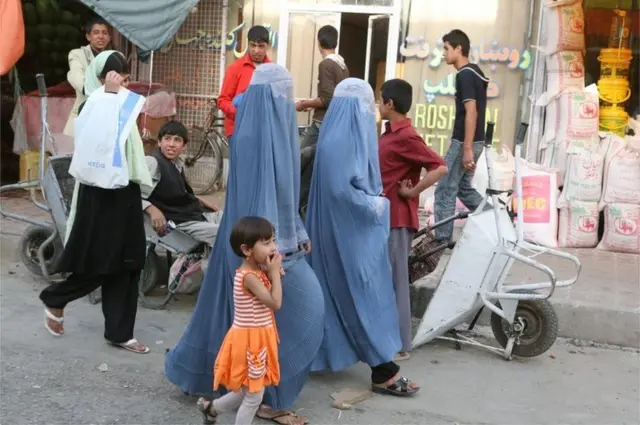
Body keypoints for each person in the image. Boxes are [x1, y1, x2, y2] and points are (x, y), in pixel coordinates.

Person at [164, 64, 324, 425]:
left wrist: (297, 232)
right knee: (293, 316)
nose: (285, 101)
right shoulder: (251, 136)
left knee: (282, 323)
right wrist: (269, 251)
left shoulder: (281, 132)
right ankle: (263, 399)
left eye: (289, 93)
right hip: (258, 248)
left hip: (278, 244)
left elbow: (284, 194)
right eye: (280, 94)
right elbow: (258, 200)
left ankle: (256, 394)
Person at [305, 78, 420, 397]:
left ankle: (374, 366)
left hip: (345, 234)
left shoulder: (341, 137)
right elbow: (341, 191)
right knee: (364, 299)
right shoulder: (341, 142)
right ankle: (384, 370)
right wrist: (378, 205)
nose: (370, 112)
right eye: (366, 105)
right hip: (348, 236)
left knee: (342, 299)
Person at [40, 51, 151, 354]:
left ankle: (119, 332)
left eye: (125, 79)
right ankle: (56, 297)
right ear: (101, 78)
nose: (122, 83)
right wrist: (110, 95)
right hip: (101, 194)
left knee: (129, 262)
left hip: (124, 190)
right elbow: (98, 142)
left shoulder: (118, 101)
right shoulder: (93, 103)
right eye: (115, 77)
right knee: (104, 260)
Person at [378, 79, 448, 360]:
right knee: (387, 280)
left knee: (396, 281)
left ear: (390, 103)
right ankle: (387, 338)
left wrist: (413, 191)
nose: (379, 104)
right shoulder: (390, 133)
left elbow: (440, 167)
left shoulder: (406, 136)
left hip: (397, 217)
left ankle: (400, 344)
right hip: (385, 216)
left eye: (380, 99)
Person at [197, 216, 283, 425]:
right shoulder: (248, 276)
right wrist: (274, 274)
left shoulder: (257, 271)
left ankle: (212, 408)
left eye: (272, 240)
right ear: (247, 250)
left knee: (246, 391)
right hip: (249, 342)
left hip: (259, 337)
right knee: (254, 395)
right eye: (266, 243)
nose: (273, 247)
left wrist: (272, 273)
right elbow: (275, 303)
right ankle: (213, 409)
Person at [433, 29, 490, 244]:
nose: (444, 53)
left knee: (445, 189)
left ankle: (442, 240)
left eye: (446, 49)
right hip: (476, 141)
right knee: (463, 188)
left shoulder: (465, 74)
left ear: (459, 49)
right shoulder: (476, 72)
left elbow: (471, 111)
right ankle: (496, 220)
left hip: (465, 142)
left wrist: (466, 148)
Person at [140, 120, 222, 245]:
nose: (171, 144)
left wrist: (199, 199)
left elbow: (174, 192)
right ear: (159, 142)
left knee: (238, 222)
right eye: (167, 139)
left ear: (184, 147)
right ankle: (202, 264)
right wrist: (152, 209)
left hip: (193, 214)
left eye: (177, 140)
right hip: (178, 224)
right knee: (225, 234)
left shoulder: (177, 164)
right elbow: (132, 194)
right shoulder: (152, 162)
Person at [296, 25, 349, 216]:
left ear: (319, 42)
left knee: (300, 165)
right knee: (314, 168)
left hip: (321, 125)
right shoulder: (342, 65)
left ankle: (299, 212)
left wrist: (303, 104)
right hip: (333, 125)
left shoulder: (326, 64)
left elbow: (327, 98)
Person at [217, 25, 271, 143]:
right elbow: (223, 100)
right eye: (253, 45)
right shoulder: (235, 68)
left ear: (268, 46)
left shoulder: (272, 70)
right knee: (241, 162)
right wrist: (242, 114)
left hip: (263, 130)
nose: (256, 50)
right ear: (248, 44)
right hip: (238, 130)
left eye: (261, 46)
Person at [63, 17, 112, 137]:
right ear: (88, 37)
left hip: (107, 118)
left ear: (109, 38)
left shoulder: (112, 57)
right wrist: (104, 89)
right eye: (96, 32)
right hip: (84, 115)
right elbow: (78, 79)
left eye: (105, 33)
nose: (101, 36)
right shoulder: (77, 54)